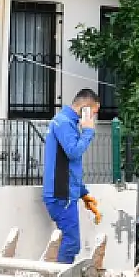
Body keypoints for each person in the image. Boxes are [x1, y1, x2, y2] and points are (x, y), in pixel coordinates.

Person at [42, 89, 100, 264]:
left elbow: (69, 165)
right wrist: (88, 131)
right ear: (85, 108)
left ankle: (58, 274)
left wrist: (83, 193)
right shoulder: (64, 123)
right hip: (61, 196)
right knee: (72, 242)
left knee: (69, 241)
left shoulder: (68, 123)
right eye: (94, 112)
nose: (93, 118)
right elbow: (73, 152)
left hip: (66, 194)